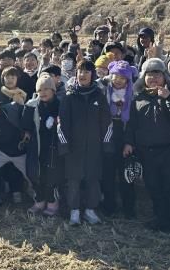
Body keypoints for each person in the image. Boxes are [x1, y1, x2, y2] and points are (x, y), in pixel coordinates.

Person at [123, 58, 170, 236]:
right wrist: (129, 142)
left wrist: (169, 97)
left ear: (164, 77)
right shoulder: (138, 99)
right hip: (147, 151)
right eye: (149, 75)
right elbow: (132, 125)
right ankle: (162, 219)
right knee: (154, 187)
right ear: (143, 78)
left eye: (157, 74)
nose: (153, 78)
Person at [58, 60, 113, 225]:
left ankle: (90, 210)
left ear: (92, 75)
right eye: (80, 71)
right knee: (73, 180)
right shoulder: (69, 96)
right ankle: (74, 211)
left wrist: (106, 144)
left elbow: (107, 122)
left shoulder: (99, 96)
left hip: (94, 148)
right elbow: (62, 124)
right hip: (73, 148)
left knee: (93, 179)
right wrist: (64, 146)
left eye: (87, 72)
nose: (83, 75)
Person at [100, 60, 138, 219]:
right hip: (107, 136)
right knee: (107, 174)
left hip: (125, 134)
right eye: (115, 76)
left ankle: (129, 208)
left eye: (123, 78)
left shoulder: (133, 96)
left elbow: (134, 122)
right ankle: (109, 206)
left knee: (126, 175)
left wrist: (129, 142)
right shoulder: (103, 92)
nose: (118, 80)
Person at [26, 74, 63, 216]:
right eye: (40, 90)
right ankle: (39, 200)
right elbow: (25, 124)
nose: (43, 92)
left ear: (53, 90)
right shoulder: (32, 105)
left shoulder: (59, 104)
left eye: (46, 89)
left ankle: (52, 201)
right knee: (35, 174)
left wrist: (55, 120)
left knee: (51, 176)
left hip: (53, 146)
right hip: (36, 146)